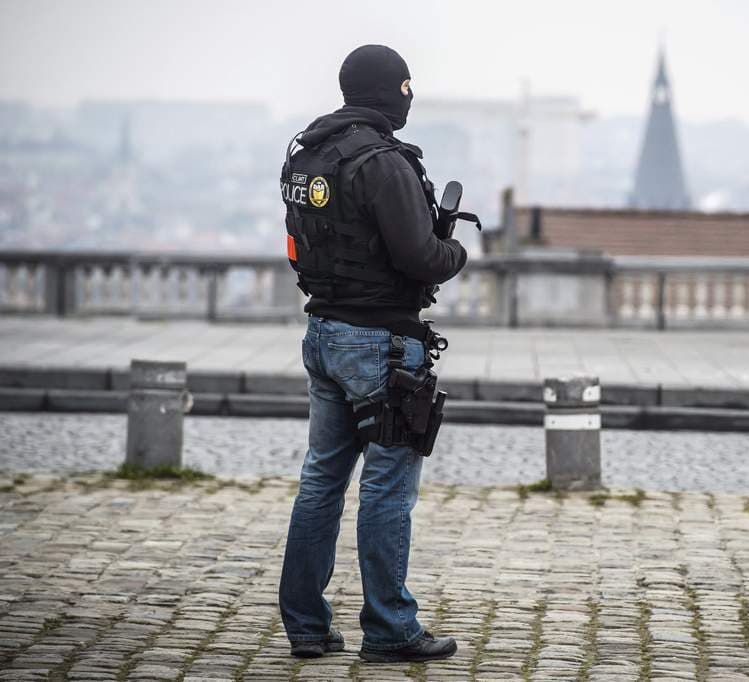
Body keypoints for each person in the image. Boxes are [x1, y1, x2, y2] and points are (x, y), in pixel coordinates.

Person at [277, 44, 466, 663]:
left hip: (324, 332)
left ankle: (306, 625)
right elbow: (420, 257)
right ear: (392, 91)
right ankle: (389, 630)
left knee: (321, 481)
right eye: (406, 88)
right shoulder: (383, 162)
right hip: (381, 343)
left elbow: (301, 245)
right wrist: (455, 252)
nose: (409, 99)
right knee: (387, 488)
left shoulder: (308, 154)